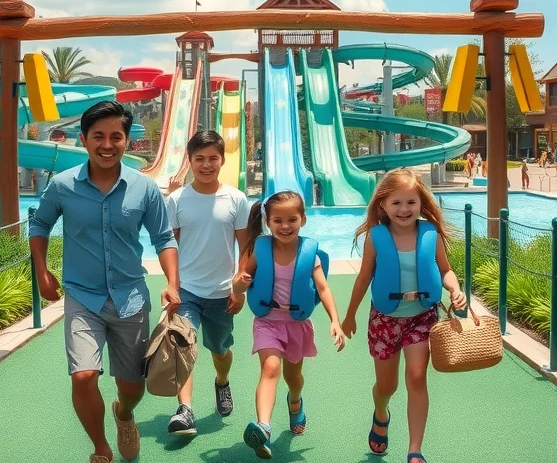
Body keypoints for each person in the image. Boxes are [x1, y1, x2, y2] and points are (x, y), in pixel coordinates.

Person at [29, 101, 181, 463]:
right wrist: (42, 271)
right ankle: (100, 446)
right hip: (83, 297)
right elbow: (39, 225)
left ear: (127, 140)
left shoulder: (144, 188)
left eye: (116, 136)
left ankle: (124, 414)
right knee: (83, 376)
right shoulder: (63, 186)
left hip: (130, 297)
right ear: (84, 139)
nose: (107, 144)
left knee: (132, 387)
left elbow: (164, 238)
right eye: (99, 136)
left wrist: (173, 282)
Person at [340, 168, 467, 463]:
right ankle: (381, 413)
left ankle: (415, 451)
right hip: (384, 319)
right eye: (396, 203)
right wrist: (349, 317)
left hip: (422, 317)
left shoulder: (430, 234)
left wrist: (455, 289)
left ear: (421, 204)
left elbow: (445, 269)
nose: (404, 209)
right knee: (387, 386)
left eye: (411, 202)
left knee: (417, 376)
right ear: (383, 205)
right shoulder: (377, 237)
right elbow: (363, 279)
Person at [232, 191, 346, 459]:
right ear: (269, 223)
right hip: (267, 322)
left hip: (296, 324)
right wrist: (239, 285)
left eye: (292, 219)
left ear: (303, 219)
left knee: (293, 378)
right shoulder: (261, 250)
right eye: (278, 220)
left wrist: (335, 321)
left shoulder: (310, 254)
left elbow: (324, 289)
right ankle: (264, 427)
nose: (285, 226)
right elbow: (240, 283)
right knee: (270, 368)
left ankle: (295, 402)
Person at [163, 131, 250, 437]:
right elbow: (168, 247)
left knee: (220, 350)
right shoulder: (176, 200)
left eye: (213, 158)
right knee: (182, 346)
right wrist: (172, 285)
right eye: (199, 158)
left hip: (222, 293)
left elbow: (246, 248)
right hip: (187, 290)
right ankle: (185, 410)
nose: (206, 164)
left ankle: (222, 382)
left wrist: (239, 289)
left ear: (222, 160)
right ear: (190, 161)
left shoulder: (237, 199)